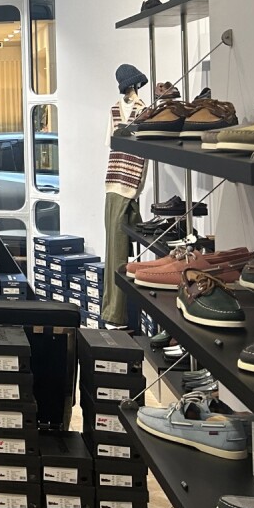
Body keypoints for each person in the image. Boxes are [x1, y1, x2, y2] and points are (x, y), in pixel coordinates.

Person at [102, 63, 149, 327]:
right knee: (116, 251)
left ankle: (117, 313)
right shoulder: (114, 111)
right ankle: (114, 314)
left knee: (120, 249)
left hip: (128, 187)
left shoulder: (145, 111)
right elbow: (112, 144)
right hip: (116, 185)